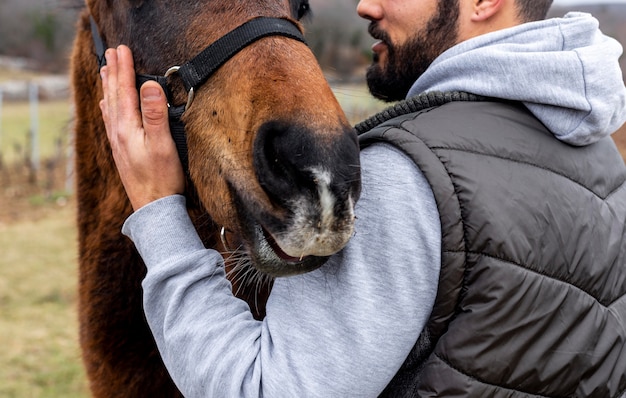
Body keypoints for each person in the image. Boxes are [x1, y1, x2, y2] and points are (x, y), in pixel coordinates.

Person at [99, 0, 626, 396]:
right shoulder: (596, 151)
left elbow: (259, 388)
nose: (364, 6)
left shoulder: (409, 176)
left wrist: (157, 212)